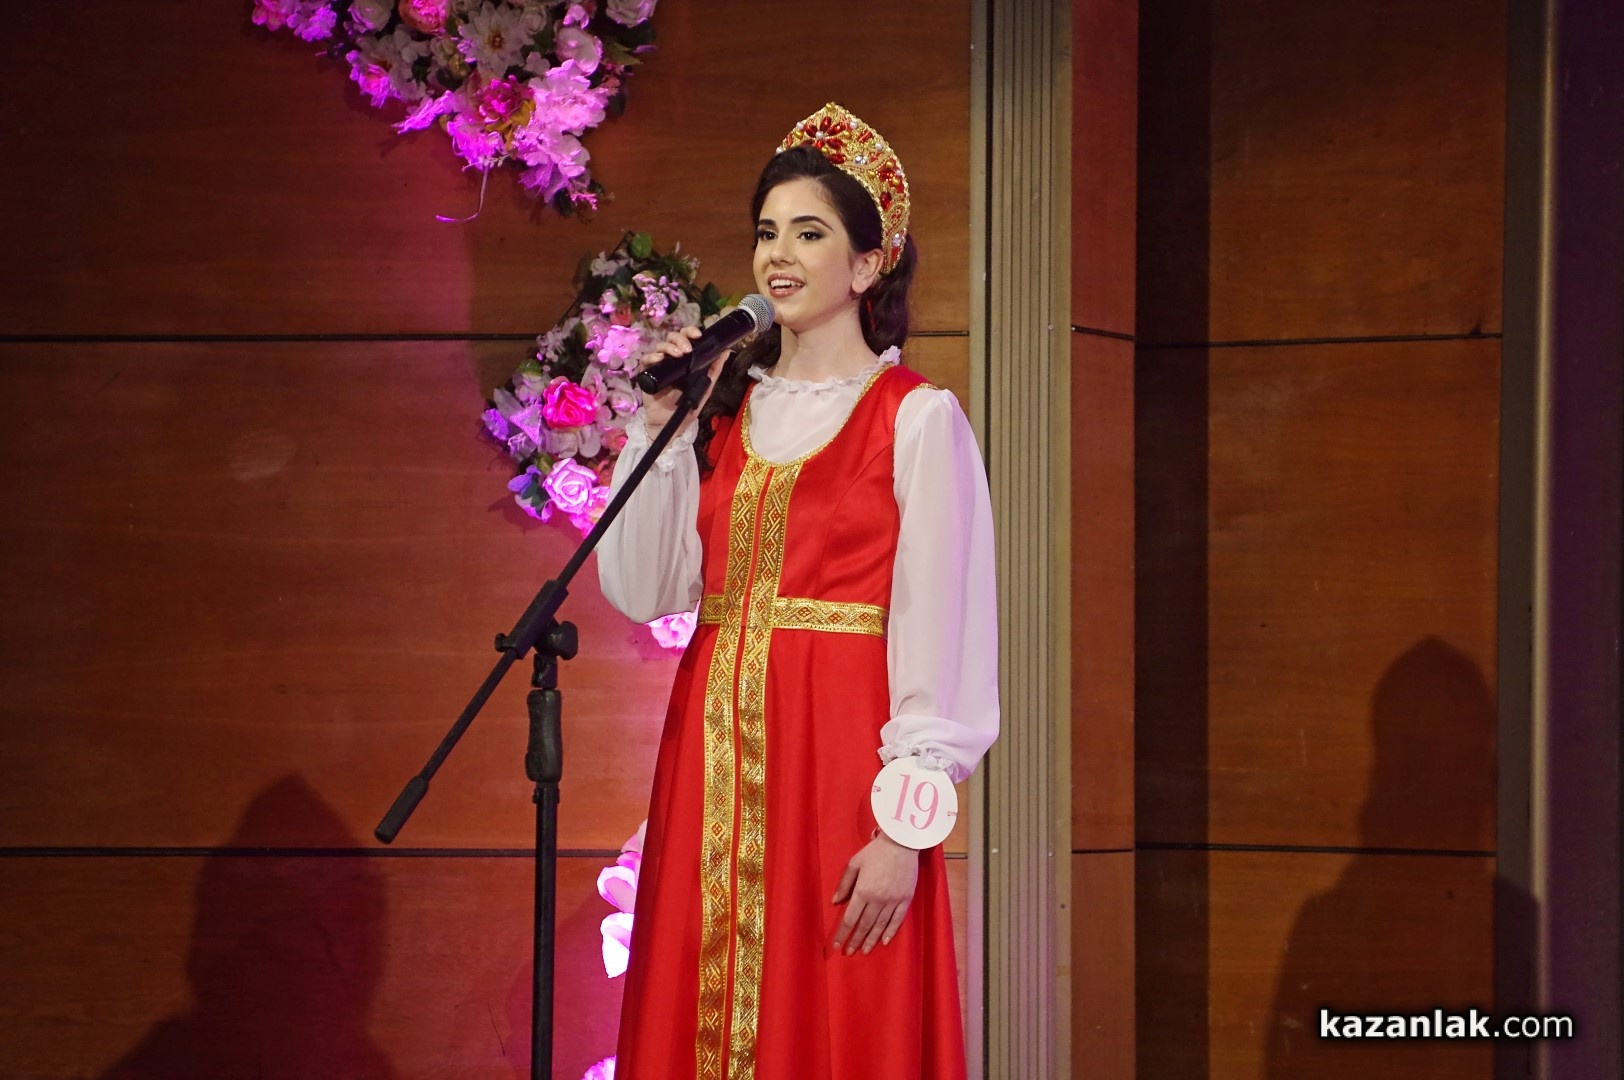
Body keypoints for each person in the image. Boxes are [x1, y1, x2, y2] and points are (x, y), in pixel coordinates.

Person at [598, 102, 999, 1079]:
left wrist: (903, 830)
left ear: (867, 265)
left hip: (840, 774)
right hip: (708, 769)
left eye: (809, 233)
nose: (778, 254)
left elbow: (945, 631)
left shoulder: (916, 419)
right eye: (767, 231)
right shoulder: (723, 415)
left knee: (836, 1015)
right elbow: (643, 587)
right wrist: (658, 430)